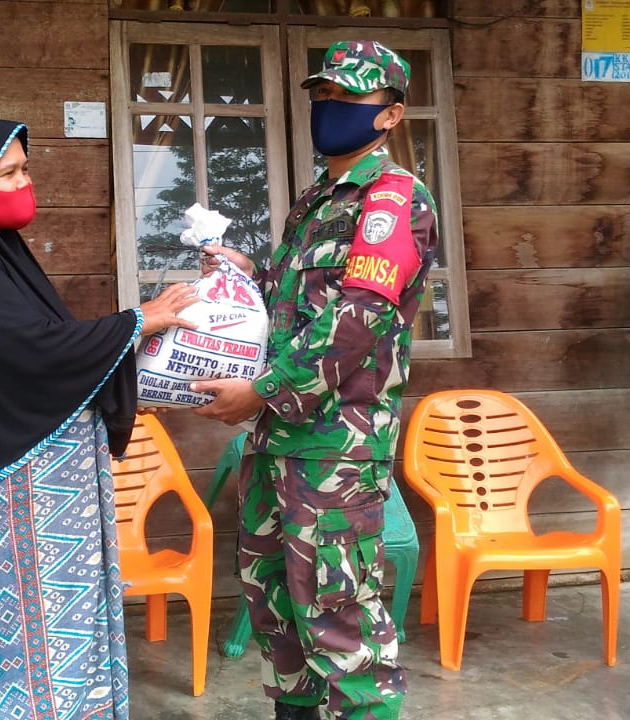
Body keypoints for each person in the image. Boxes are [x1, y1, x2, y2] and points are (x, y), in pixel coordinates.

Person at [0, 116, 197, 720]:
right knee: (22, 643)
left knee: (62, 632)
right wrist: (136, 322)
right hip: (5, 502)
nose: (24, 182)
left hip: (43, 505)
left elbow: (46, 344)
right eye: (8, 172)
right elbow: (29, 352)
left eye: (25, 168)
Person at [192, 41, 441, 720]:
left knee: (339, 623)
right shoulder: (316, 203)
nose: (328, 109)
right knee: (277, 612)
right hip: (278, 443)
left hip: (335, 447)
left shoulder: (393, 201)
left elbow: (357, 318)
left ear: (390, 115)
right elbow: (295, 301)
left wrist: (263, 391)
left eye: (348, 98)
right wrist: (249, 274)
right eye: (322, 96)